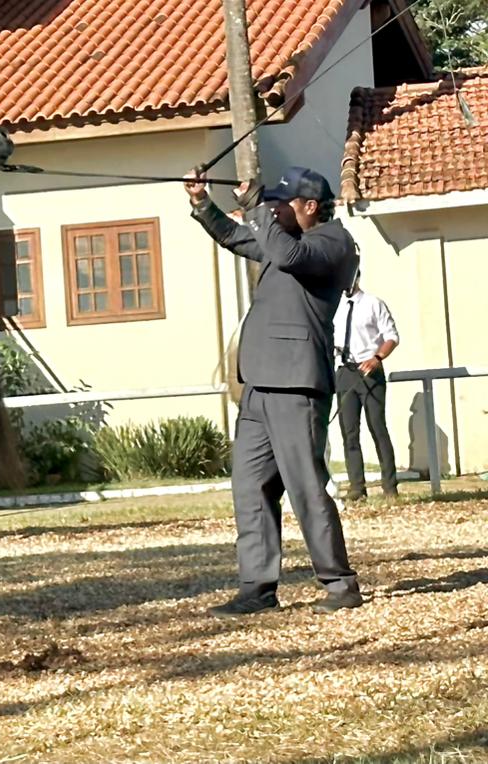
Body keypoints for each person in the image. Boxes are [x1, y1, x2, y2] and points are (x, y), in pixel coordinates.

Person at [187, 165, 363, 616]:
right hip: (260, 383)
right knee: (250, 488)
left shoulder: (333, 242)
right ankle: (257, 587)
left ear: (309, 207)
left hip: (297, 383)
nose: (273, 210)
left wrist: (255, 207)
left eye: (281, 204)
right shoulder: (279, 239)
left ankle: (340, 585)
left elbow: (288, 256)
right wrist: (202, 202)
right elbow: (235, 237)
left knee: (306, 487)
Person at [333, 269, 400, 500]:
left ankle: (390, 487)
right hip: (345, 371)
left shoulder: (373, 304)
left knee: (377, 428)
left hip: (369, 370)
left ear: (356, 278)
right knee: (349, 432)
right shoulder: (335, 306)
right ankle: (357, 488)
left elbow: (392, 336)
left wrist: (377, 358)